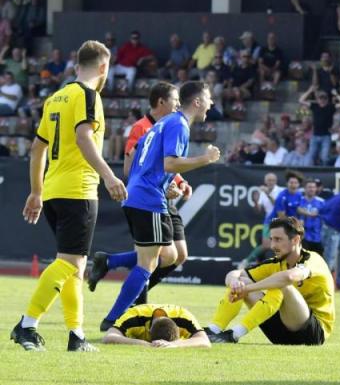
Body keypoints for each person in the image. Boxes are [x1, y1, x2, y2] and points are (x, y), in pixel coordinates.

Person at [11, 40, 126, 352]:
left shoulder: (55, 97)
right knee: (69, 263)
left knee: (75, 265)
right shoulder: (89, 95)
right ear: (103, 67)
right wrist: (109, 175)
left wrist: (36, 192)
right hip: (79, 190)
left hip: (52, 190)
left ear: (77, 65)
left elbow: (37, 149)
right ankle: (26, 325)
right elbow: (83, 137)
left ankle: (77, 336)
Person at [99, 82, 220, 330]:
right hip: (148, 199)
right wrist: (205, 159)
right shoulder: (178, 124)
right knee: (149, 263)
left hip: (138, 195)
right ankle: (113, 319)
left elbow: (140, 158)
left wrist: (163, 185)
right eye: (208, 98)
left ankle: (110, 264)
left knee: (169, 255)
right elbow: (170, 164)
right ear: (197, 102)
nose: (212, 104)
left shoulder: (163, 123)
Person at [87, 83, 192, 307]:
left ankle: (110, 262)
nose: (178, 105)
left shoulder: (172, 124)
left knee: (177, 255)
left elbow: (168, 165)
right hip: (149, 196)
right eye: (175, 99)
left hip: (163, 195)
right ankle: (135, 301)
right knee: (153, 257)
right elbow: (131, 168)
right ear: (161, 102)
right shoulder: (141, 127)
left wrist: (180, 182)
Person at [207, 217, 334, 346]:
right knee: (241, 281)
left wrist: (248, 289)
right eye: (272, 239)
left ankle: (234, 334)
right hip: (280, 334)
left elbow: (289, 277)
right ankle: (213, 329)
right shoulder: (276, 262)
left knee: (282, 284)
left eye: (278, 239)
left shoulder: (313, 259)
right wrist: (235, 283)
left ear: (295, 240)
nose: (273, 245)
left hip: (312, 334)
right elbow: (235, 273)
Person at [103, 304, 210, 348]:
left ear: (179, 329)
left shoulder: (184, 316)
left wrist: (175, 344)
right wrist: (142, 343)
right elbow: (109, 337)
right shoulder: (135, 315)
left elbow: (205, 341)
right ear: (148, 332)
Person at [297, 180, 325, 254]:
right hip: (303, 237)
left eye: (313, 187)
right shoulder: (299, 200)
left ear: (316, 189)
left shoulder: (321, 202)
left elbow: (325, 217)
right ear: (305, 189)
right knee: (303, 261)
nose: (311, 189)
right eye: (309, 187)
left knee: (317, 260)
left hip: (318, 237)